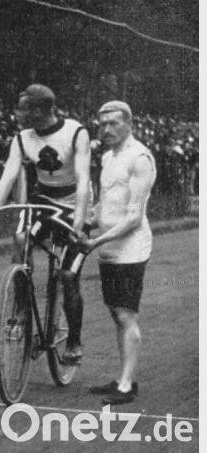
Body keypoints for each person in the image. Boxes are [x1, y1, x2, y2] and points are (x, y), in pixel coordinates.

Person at [0, 84, 91, 364]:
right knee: (21, 239)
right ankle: (19, 311)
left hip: (75, 205)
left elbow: (82, 181)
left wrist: (78, 224)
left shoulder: (76, 132)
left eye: (23, 109)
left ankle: (74, 341)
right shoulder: (22, 138)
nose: (17, 114)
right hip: (44, 201)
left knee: (67, 276)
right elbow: (7, 177)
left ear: (40, 110)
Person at [82, 101, 156, 405]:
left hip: (132, 248)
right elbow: (106, 204)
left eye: (113, 123)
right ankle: (122, 377)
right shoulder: (108, 156)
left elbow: (134, 217)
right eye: (102, 124)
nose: (106, 129)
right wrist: (88, 222)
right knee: (117, 313)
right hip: (110, 246)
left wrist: (96, 240)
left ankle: (126, 385)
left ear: (129, 123)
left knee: (126, 314)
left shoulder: (140, 158)